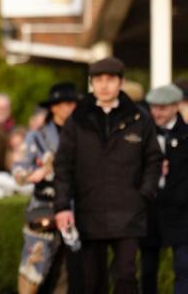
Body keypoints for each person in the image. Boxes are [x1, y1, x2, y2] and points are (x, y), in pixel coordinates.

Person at [54, 57, 163, 294]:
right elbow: (63, 165)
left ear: (121, 82)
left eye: (110, 79)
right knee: (93, 280)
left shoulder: (139, 118)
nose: (104, 86)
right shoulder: (77, 120)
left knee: (126, 275)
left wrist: (144, 193)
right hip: (89, 210)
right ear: (91, 84)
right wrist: (62, 206)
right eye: (98, 80)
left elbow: (153, 159)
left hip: (129, 211)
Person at [12, 82, 81, 294]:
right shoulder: (38, 136)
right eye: (64, 103)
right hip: (45, 208)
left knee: (69, 272)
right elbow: (18, 171)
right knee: (34, 270)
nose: (69, 108)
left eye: (72, 103)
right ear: (53, 107)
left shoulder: (83, 134)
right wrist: (35, 174)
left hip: (76, 210)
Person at [140, 84, 188, 294]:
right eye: (154, 107)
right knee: (148, 269)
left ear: (176, 106)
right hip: (151, 211)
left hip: (181, 214)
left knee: (183, 268)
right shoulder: (143, 135)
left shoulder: (186, 136)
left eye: (163, 108)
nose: (157, 112)